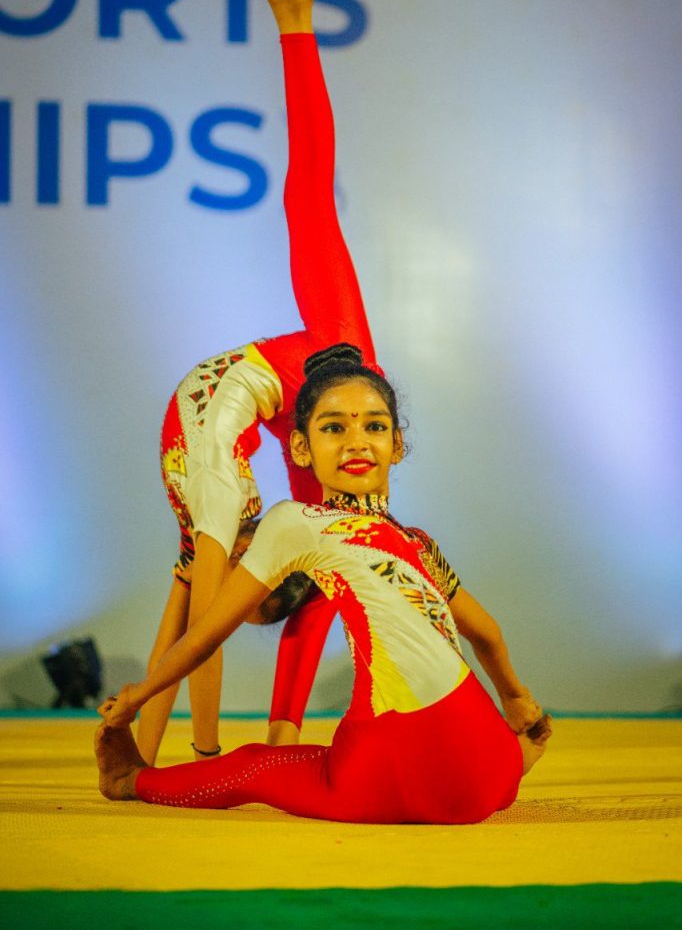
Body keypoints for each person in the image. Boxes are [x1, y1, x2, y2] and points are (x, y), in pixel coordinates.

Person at [95, 340, 552, 825]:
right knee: (475, 736)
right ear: (300, 447)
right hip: (486, 776)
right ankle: (511, 758)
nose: (356, 442)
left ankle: (129, 780)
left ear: (396, 444)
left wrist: (136, 697)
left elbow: (206, 638)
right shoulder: (419, 544)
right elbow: (487, 634)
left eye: (373, 426)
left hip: (386, 771)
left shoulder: (296, 522)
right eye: (334, 427)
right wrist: (516, 699)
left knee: (257, 767)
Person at [138, 0, 369, 764]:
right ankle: (295, 16)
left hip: (296, 387)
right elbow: (209, 621)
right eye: (254, 588)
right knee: (308, 199)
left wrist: (145, 745)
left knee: (306, 200)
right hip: (335, 371)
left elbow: (190, 626)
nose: (240, 578)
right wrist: (216, 749)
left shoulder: (218, 508)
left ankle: (294, 12)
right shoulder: (247, 511)